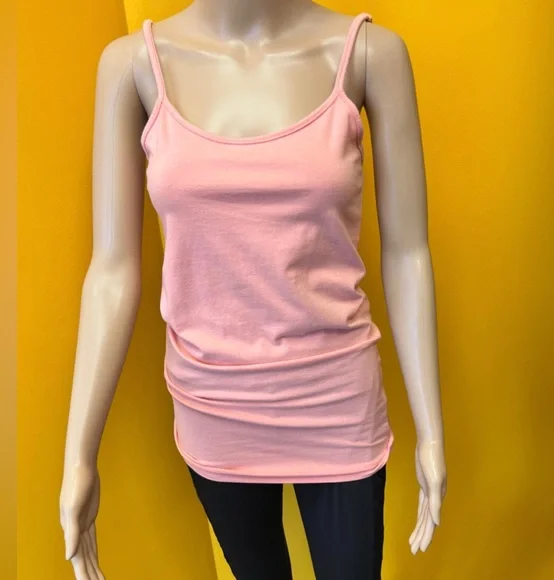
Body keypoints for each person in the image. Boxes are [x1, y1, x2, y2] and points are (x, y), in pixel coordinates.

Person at [60, 2, 447, 579]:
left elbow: (408, 252)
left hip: (335, 400)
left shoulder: (370, 54)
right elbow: (112, 270)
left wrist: (431, 433)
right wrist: (78, 456)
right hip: (212, 406)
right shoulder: (132, 64)